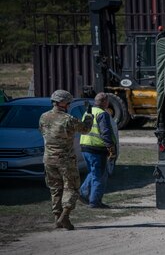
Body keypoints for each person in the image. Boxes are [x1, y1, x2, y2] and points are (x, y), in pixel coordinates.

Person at [39, 90, 93, 230]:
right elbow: (85, 129)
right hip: (65, 160)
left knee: (55, 188)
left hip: (48, 159)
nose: (69, 105)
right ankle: (65, 217)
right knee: (72, 187)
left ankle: (57, 217)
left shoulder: (43, 117)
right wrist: (88, 115)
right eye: (68, 102)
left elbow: (42, 132)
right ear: (63, 103)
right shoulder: (67, 119)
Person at [79, 92, 117, 208]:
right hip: (97, 149)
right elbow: (105, 133)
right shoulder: (102, 114)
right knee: (100, 176)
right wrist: (111, 148)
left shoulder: (88, 112)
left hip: (85, 147)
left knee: (93, 172)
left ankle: (83, 194)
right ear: (105, 102)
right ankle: (95, 202)